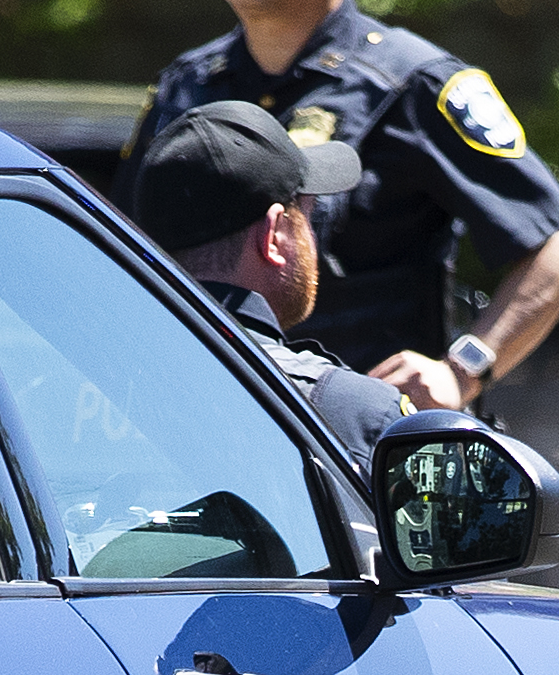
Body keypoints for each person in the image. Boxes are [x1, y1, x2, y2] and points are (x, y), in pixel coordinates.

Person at [130, 0, 559, 415]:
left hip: (370, 447)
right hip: (219, 430)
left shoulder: (412, 82)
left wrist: (466, 368)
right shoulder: (185, 88)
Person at [132, 99, 411, 467]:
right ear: (275, 235)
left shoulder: (74, 383)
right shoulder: (351, 413)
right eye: (307, 213)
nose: (312, 238)